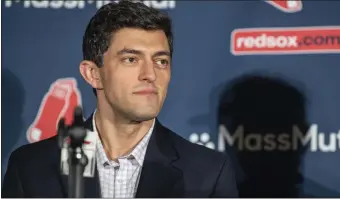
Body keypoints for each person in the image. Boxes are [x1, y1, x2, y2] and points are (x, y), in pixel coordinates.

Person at [2, 0, 238, 198]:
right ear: (93, 74)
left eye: (161, 61)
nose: (150, 74)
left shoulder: (207, 173)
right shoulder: (31, 167)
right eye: (131, 59)